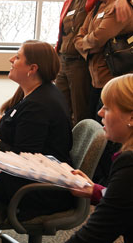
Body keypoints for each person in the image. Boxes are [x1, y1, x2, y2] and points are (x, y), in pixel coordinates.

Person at [0, 40, 74, 221]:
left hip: (36, 188)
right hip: (34, 175)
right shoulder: (40, 92)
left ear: (32, 69)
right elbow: (19, 126)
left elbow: (23, 160)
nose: (11, 59)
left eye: (17, 57)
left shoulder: (38, 105)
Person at [74, 0, 133, 183]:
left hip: (113, 81)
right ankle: (97, 179)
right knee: (98, 128)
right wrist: (84, 42)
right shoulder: (98, 5)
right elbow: (82, 35)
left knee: (111, 136)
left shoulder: (120, 5)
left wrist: (83, 43)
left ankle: (106, 183)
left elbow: (97, 39)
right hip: (96, 79)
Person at [56, 0, 133, 126]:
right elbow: (78, 34)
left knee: (88, 117)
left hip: (98, 71)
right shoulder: (92, 2)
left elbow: (98, 38)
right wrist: (85, 44)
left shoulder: (110, 1)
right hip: (77, 65)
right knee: (64, 110)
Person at [66, 73, 133, 243]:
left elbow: (93, 236)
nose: (100, 112)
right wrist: (95, 190)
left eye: (108, 108)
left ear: (131, 117)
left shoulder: (129, 166)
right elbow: (125, 200)